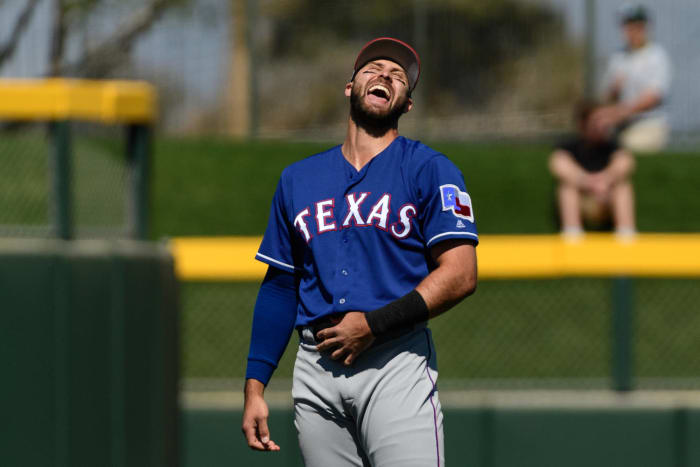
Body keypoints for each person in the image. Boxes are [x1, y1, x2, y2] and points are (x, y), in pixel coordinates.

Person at [241, 37, 478, 466]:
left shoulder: (430, 169)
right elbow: (280, 286)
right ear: (350, 87)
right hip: (316, 367)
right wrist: (255, 386)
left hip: (394, 360)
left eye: (399, 75)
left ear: (407, 105)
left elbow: (461, 274)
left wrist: (374, 324)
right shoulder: (298, 179)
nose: (385, 75)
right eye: (374, 68)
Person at [591, 3, 672, 153]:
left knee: (626, 149)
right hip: (619, 125)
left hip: (648, 124)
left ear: (644, 28)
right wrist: (614, 92)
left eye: (636, 27)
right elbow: (607, 96)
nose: (631, 32)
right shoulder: (618, 57)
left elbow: (654, 97)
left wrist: (623, 112)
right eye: (627, 27)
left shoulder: (657, 56)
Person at [550, 100, 636, 237]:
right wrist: (587, 181)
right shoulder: (569, 146)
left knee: (622, 187)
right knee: (567, 188)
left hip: (606, 198)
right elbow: (559, 165)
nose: (603, 124)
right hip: (582, 200)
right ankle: (572, 232)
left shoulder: (612, 146)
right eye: (597, 119)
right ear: (583, 123)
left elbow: (625, 162)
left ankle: (626, 233)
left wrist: (606, 180)